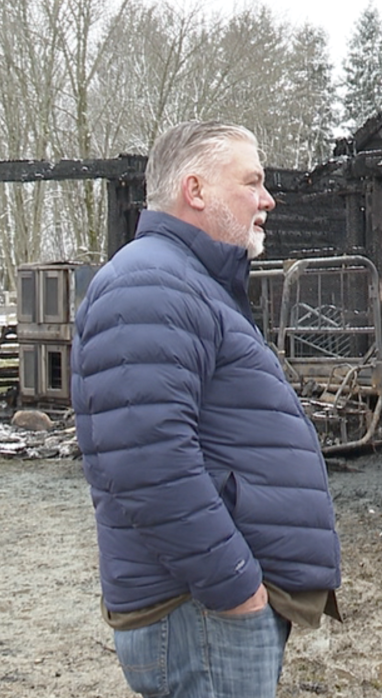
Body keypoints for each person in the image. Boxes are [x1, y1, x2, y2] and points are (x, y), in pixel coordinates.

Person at [72, 121, 342, 698]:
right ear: (196, 191)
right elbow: (148, 464)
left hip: (204, 610)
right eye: (252, 182)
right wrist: (238, 589)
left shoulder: (185, 282)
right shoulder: (149, 283)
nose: (267, 199)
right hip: (199, 610)